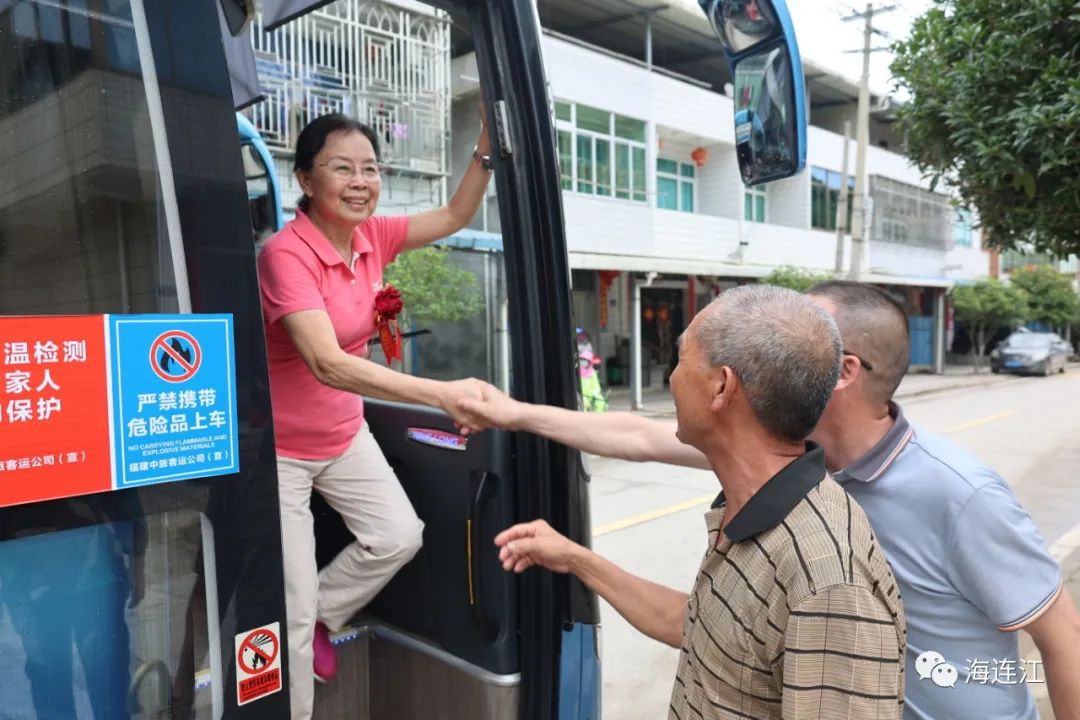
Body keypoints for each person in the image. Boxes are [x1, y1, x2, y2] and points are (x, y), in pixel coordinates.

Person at [461, 281, 1080, 720]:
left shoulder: (954, 494)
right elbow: (644, 439)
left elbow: (1063, 635)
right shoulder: (776, 467)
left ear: (840, 368)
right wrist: (512, 413)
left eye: (801, 332)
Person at [493, 285, 907, 719]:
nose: (671, 378)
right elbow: (702, 627)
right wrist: (576, 560)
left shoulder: (828, 584)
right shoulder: (757, 507)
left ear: (721, 387)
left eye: (681, 359)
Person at [257, 110, 493, 719]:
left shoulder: (373, 239)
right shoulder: (286, 257)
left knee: (397, 537)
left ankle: (326, 615)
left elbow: (454, 216)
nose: (360, 181)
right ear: (307, 180)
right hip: (280, 450)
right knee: (292, 609)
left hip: (343, 434)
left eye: (371, 169)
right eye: (342, 168)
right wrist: (440, 394)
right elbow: (327, 364)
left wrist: (485, 151)